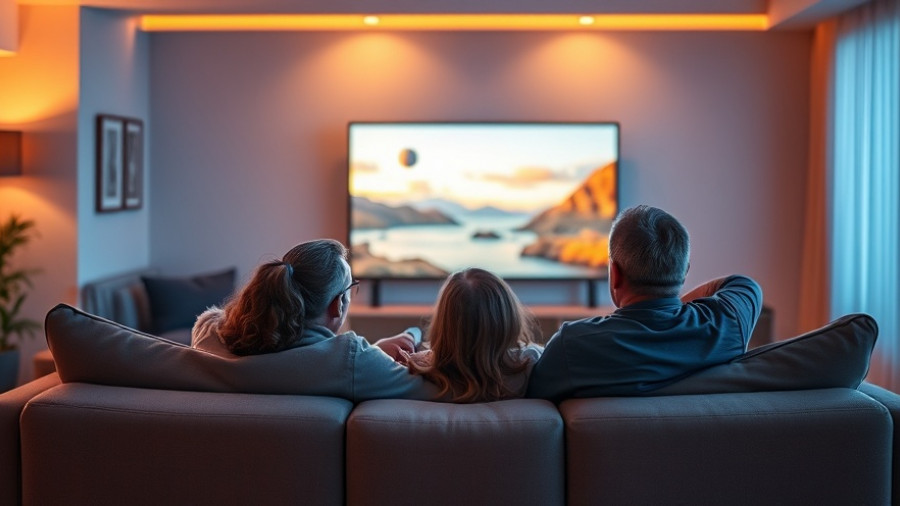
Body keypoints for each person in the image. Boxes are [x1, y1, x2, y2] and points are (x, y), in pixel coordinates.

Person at [526, 205, 763, 402]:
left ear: (615, 273)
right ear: (685, 272)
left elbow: (533, 401)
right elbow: (742, 284)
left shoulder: (572, 347)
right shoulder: (727, 325)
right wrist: (675, 309)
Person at [191, 238, 438, 403]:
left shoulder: (207, 333)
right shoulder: (351, 362)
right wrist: (376, 359)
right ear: (338, 304)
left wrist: (374, 352)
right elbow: (435, 390)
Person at [403, 268, 543, 403]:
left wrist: (409, 337)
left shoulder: (418, 377)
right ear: (510, 318)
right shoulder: (532, 364)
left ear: (443, 324)